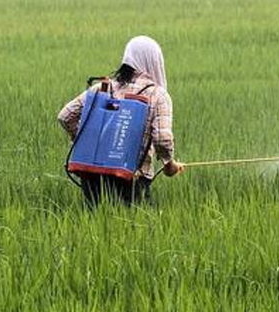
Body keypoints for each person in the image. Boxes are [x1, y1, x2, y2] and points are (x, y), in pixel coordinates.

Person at [58, 35, 184, 207]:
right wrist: (169, 164)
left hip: (92, 174)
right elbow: (162, 139)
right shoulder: (157, 95)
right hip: (131, 176)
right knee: (135, 229)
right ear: (154, 61)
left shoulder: (101, 89)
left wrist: (81, 139)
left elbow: (65, 116)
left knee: (95, 226)